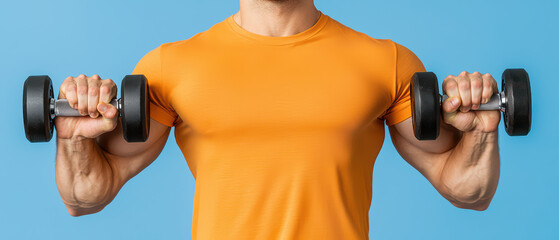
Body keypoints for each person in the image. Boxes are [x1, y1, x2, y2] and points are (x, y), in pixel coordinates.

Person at [54, 0, 500, 239]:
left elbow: (467, 190)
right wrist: (74, 137)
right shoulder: (171, 68)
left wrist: (481, 132)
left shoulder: (387, 63)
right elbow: (85, 196)